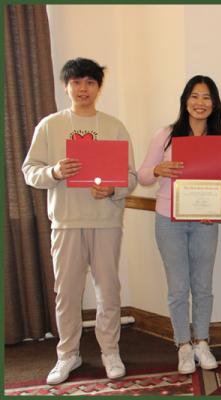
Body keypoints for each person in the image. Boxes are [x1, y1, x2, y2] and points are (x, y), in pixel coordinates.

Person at [22, 58, 136, 384]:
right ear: (66, 86)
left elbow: (129, 177)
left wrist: (113, 188)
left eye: (89, 82)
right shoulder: (49, 125)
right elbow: (30, 171)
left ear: (98, 87)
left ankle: (110, 351)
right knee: (67, 293)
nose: (82, 88)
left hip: (105, 222)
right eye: (76, 82)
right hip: (66, 221)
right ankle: (67, 354)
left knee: (108, 291)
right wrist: (55, 172)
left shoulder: (114, 126)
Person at [138, 75, 221, 374]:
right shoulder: (165, 135)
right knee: (178, 288)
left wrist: (214, 206)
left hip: (204, 222)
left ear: (214, 104)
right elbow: (143, 176)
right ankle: (183, 346)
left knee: (203, 286)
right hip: (169, 220)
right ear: (185, 100)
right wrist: (158, 168)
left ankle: (202, 341)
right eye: (195, 96)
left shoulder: (217, 140)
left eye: (206, 97)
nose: (200, 103)